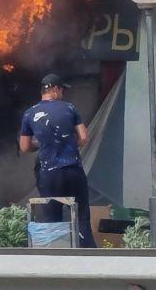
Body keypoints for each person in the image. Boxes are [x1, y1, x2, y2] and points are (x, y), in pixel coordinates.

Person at [19, 74, 97, 248]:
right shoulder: (70, 108)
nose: (63, 94)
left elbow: (24, 147)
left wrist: (40, 144)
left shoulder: (30, 113)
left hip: (50, 173)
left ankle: (56, 260)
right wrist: (69, 143)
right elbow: (84, 137)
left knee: (52, 218)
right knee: (82, 216)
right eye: (62, 90)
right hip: (73, 171)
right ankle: (89, 259)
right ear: (54, 89)